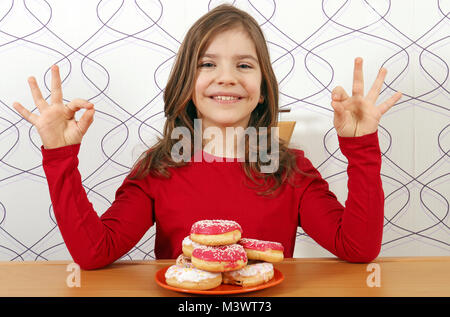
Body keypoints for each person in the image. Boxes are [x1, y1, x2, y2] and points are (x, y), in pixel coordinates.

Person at [13, 4, 402, 270]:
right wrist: (61, 155)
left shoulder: (291, 169)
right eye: (208, 64)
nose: (227, 77)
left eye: (244, 65)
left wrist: (361, 146)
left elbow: (358, 248)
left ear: (263, 89)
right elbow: (94, 252)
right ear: (188, 83)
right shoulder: (157, 169)